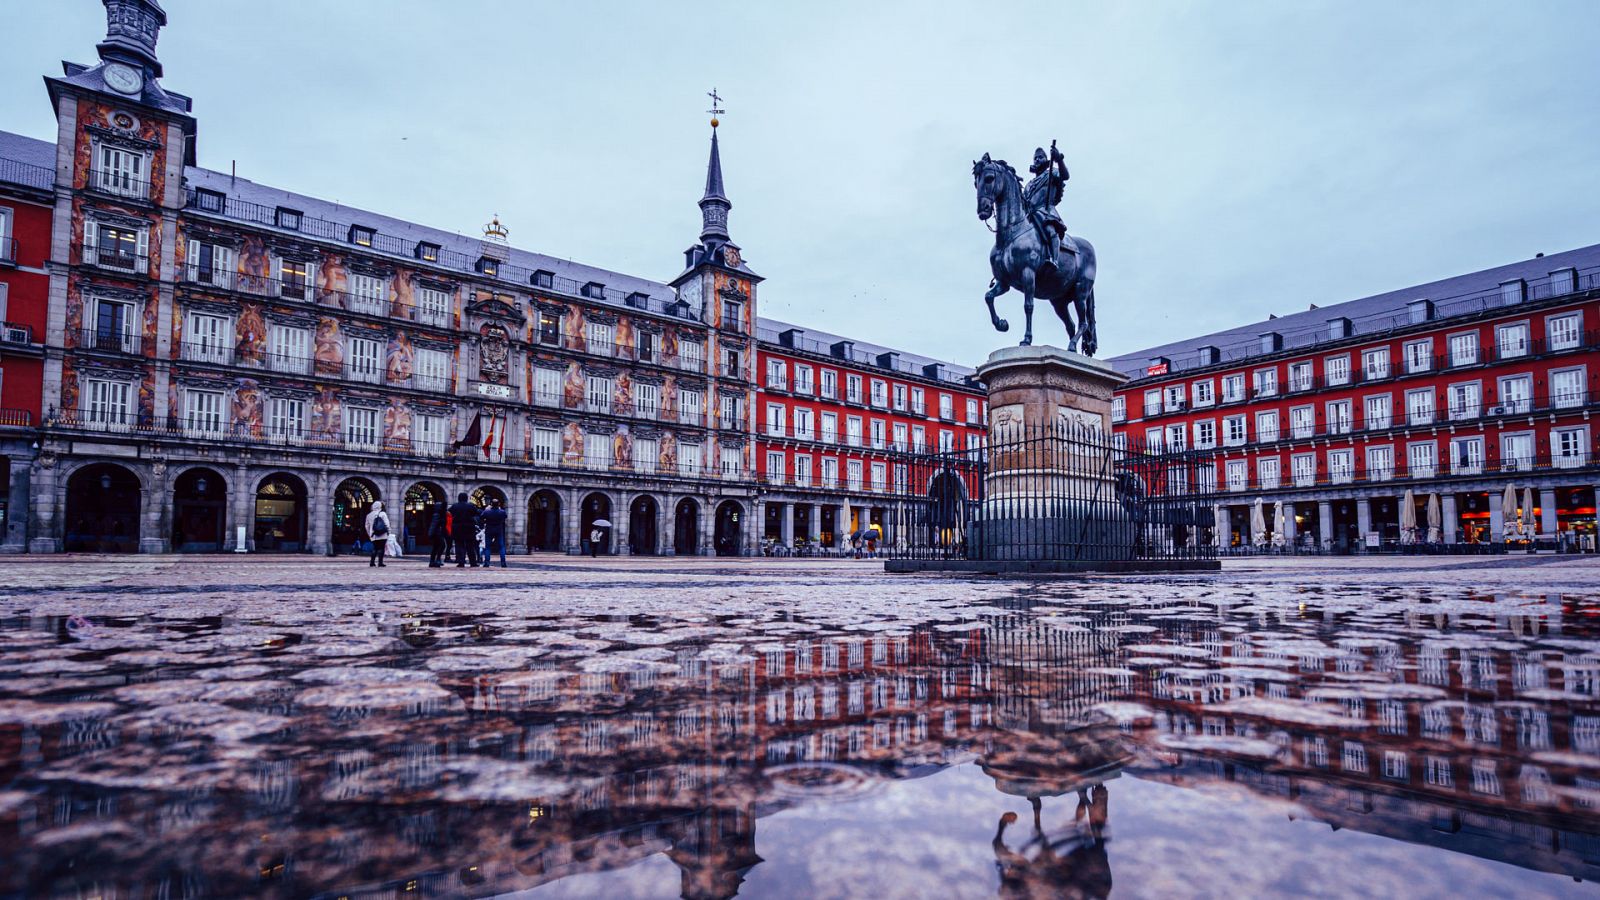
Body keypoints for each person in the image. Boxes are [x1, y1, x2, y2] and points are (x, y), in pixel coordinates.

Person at [1022, 140, 1070, 272]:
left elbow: (1065, 176)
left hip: (1045, 212)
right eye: (1035, 158)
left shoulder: (1052, 173)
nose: (1037, 160)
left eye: (1040, 157)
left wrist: (1059, 159)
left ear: (1046, 159)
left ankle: (1054, 259)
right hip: (1029, 216)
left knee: (1050, 230)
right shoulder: (1029, 185)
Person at [447, 492, 481, 567]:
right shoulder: (470, 506)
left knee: (459, 545)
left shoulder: (455, 506)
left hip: (457, 527)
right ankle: (473, 562)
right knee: (470, 545)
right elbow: (477, 513)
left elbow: (449, 512)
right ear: (466, 498)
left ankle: (461, 562)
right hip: (469, 527)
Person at [481, 499, 509, 568]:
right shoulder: (502, 512)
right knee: (501, 547)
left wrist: (486, 521)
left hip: (489, 529)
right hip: (499, 530)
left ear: (491, 504)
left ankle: (487, 563)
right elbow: (505, 516)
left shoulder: (487, 511)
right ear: (498, 504)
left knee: (488, 547)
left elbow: (481, 517)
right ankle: (503, 563)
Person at [364, 501, 391, 568]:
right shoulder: (383, 513)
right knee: (381, 548)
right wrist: (388, 532)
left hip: (373, 535)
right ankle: (380, 563)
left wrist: (369, 533)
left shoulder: (369, 515)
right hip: (382, 534)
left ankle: (372, 562)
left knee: (375, 548)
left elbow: (367, 526)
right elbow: (387, 524)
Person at [426, 502, 448, 568]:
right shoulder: (437, 515)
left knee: (436, 547)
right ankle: (437, 559)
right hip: (437, 533)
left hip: (437, 533)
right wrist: (431, 533)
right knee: (442, 546)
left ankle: (432, 561)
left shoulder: (440, 514)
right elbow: (434, 524)